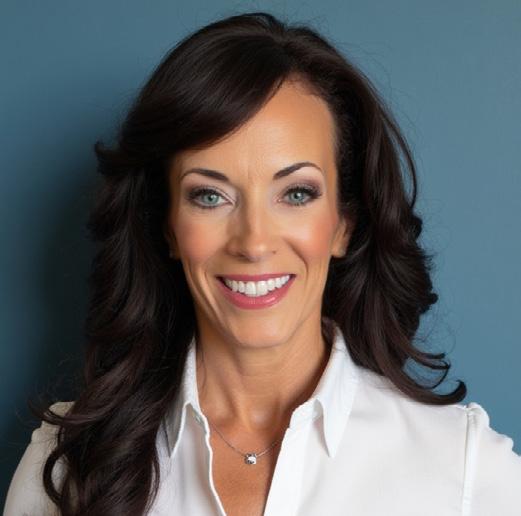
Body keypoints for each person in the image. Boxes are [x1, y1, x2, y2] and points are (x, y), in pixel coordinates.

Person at [4, 10, 521, 516]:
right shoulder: (65, 461)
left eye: (296, 194)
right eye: (210, 196)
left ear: (344, 223)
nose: (253, 242)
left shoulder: (464, 468)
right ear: (168, 228)